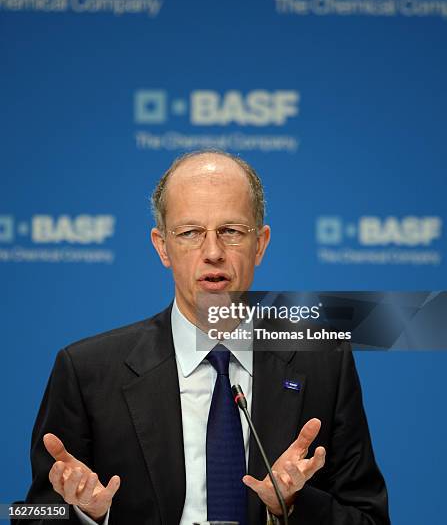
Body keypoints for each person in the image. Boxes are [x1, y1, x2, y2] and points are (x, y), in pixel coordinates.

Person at [18, 150, 390, 524]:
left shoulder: (324, 360)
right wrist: (89, 514)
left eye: (230, 231)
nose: (212, 252)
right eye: (190, 233)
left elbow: (369, 517)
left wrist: (288, 506)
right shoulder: (87, 371)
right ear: (162, 246)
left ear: (259, 244)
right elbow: (32, 516)